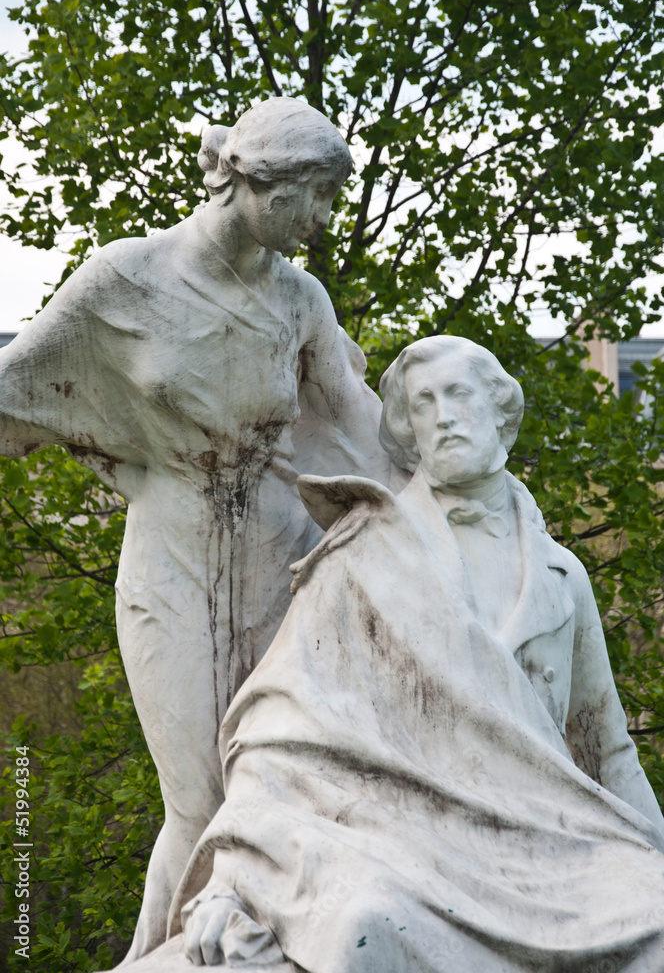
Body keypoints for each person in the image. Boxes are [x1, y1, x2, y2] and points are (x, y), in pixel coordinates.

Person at [0, 98, 392, 963]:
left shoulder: (299, 300)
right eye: (315, 198)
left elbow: (358, 422)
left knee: (276, 788)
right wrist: (120, 459)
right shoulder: (124, 279)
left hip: (288, 561)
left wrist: (463, 515)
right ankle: (154, 959)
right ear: (257, 181)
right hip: (171, 560)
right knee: (199, 800)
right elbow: (17, 390)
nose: (322, 223)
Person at [169, 335, 664, 972]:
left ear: (501, 415)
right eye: (424, 404)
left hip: (547, 843)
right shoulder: (363, 558)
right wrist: (229, 881)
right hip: (405, 837)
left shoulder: (562, 576)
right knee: (365, 926)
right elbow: (280, 725)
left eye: (459, 395)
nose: (445, 415)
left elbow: (608, 749)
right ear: (409, 433)